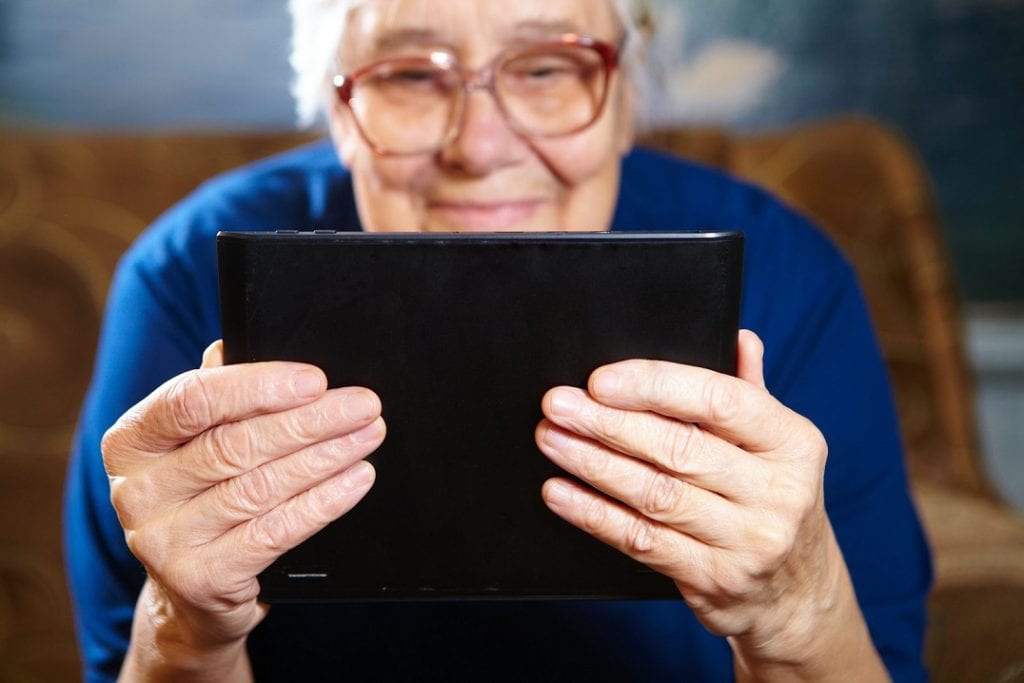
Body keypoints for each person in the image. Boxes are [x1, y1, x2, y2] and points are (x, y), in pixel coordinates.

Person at [63, 0, 933, 680]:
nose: (480, 147)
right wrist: (184, 626)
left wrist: (794, 608)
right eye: (409, 75)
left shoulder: (785, 274)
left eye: (550, 65)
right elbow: (123, 666)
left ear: (625, 99)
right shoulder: (187, 278)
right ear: (335, 110)